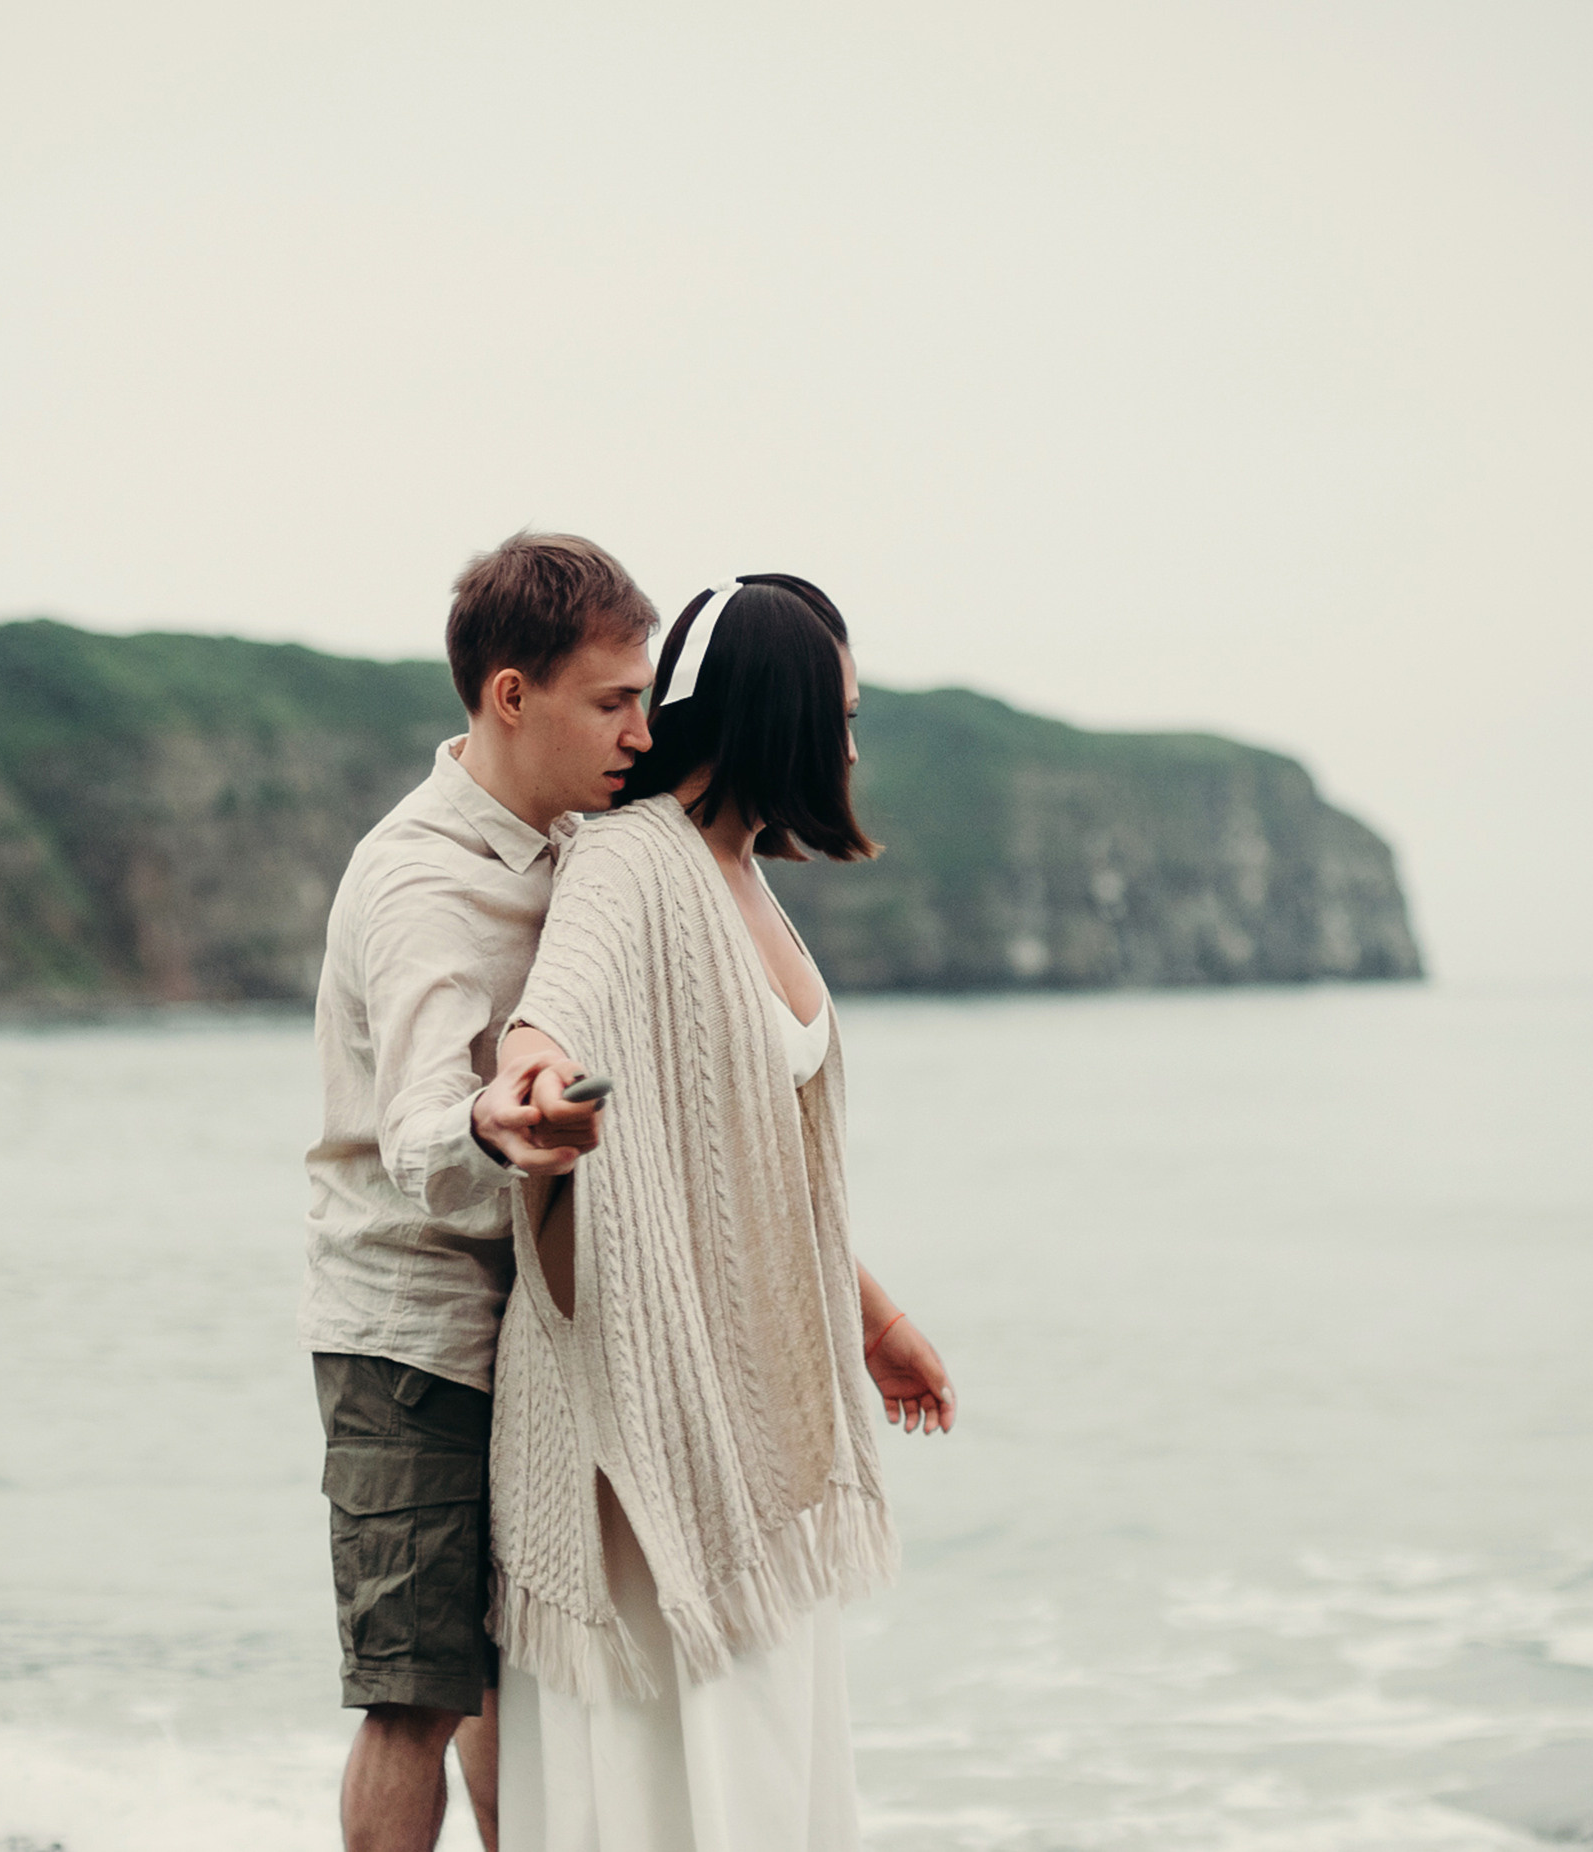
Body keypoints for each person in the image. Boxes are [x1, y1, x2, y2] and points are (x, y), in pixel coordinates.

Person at [476, 574, 958, 1852]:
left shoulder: (744, 877)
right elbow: (556, 1000)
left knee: (755, 1761)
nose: (850, 745)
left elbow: (761, 1168)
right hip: (655, 1402)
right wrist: (528, 1074)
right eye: (839, 713)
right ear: (781, 712)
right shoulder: (632, 861)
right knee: (666, 1773)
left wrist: (876, 1318)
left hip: (755, 1407)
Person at [301, 531, 661, 1852]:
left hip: (538, 1334)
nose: (640, 731)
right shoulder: (418, 882)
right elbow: (417, 1145)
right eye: (613, 702)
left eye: (647, 701)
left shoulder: (584, 838)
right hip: (412, 1337)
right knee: (416, 1696)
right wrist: (500, 1131)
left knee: (525, 1682)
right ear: (514, 696)